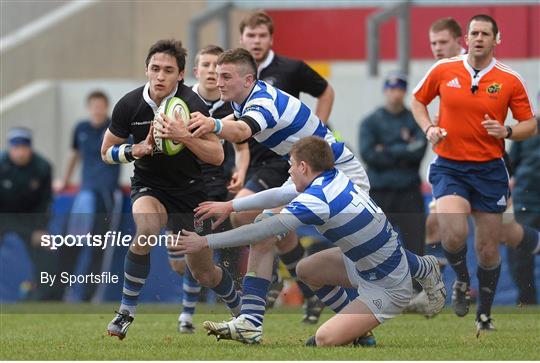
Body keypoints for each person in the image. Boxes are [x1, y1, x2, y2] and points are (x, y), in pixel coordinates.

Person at [185, 48, 445, 344]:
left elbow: (242, 130)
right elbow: (241, 130)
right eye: (216, 75)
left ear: (247, 79)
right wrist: (230, 202)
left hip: (340, 174)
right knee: (326, 247)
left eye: (225, 76)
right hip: (321, 172)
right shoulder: (252, 98)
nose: (218, 82)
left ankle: (252, 321)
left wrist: (214, 126)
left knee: (269, 229)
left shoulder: (262, 103)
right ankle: (414, 272)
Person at [169, 136, 444, 346]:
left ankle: (410, 278)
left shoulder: (318, 199)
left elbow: (262, 231)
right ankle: (413, 275)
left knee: (323, 341)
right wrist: (231, 207)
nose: (288, 172)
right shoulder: (331, 176)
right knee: (305, 270)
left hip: (388, 286)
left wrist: (206, 242)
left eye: (290, 167)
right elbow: (281, 193)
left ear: (303, 166)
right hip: (363, 262)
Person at [102, 39, 241, 340]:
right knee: (147, 229)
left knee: (204, 273)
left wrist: (184, 136)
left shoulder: (192, 104)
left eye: (168, 70)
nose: (160, 76)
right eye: (155, 69)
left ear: (180, 75)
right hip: (149, 186)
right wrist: (135, 149)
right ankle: (126, 311)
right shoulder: (129, 104)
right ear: (147, 70)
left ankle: (239, 310)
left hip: (189, 193)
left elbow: (216, 156)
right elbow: (106, 152)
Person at [411, 14, 537, 333]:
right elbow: (418, 100)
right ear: (466, 38)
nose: (478, 38)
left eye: (484, 33)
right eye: (473, 33)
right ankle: (462, 282)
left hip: (490, 170)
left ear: (497, 39)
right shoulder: (443, 69)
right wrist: (429, 128)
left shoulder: (510, 78)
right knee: (452, 232)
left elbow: (530, 124)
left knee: (488, 246)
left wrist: (507, 130)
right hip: (449, 166)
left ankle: (484, 314)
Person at [238, 10, 336, 322]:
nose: (256, 41)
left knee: (247, 216)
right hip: (254, 160)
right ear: (242, 38)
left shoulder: (290, 68)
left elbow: (325, 91)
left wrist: (316, 132)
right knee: (282, 235)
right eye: (251, 35)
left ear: (271, 38)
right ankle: (310, 294)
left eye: (262, 35)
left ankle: (275, 284)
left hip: (286, 162)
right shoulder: (237, 73)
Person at [171, 45, 250, 334]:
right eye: (205, 65)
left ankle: (188, 315)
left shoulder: (231, 104)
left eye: (216, 67)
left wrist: (241, 170)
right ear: (196, 71)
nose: (210, 71)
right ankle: (227, 305)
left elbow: (241, 146)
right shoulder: (179, 102)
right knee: (181, 263)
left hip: (217, 186)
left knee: (203, 252)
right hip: (183, 185)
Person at [56, 90, 122, 302]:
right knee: (72, 243)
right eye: (94, 105)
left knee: (99, 246)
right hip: (84, 196)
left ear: (106, 107)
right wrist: (64, 179)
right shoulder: (81, 128)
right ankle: (64, 290)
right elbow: (74, 154)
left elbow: (128, 152)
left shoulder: (115, 128)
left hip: (106, 196)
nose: (97, 109)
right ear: (89, 107)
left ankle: (91, 294)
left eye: (101, 105)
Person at [359, 70, 427, 257]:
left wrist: (386, 149)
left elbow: (419, 151)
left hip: (409, 193)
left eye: (400, 89)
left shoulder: (415, 119)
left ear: (405, 92)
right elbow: (369, 155)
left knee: (416, 248)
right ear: (385, 90)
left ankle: (417, 285)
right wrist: (404, 149)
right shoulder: (371, 122)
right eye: (391, 88)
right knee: (375, 249)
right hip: (381, 193)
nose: (395, 93)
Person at [0, 128, 60, 300]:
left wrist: (41, 228)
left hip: (29, 220)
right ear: (10, 149)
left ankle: (42, 297)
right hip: (3, 216)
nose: (19, 152)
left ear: (29, 149)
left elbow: (45, 201)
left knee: (47, 248)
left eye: (23, 147)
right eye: (15, 148)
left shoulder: (42, 167)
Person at [506, 116, 540, 305]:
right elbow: (510, 165)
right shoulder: (526, 129)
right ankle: (527, 301)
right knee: (518, 253)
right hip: (526, 201)